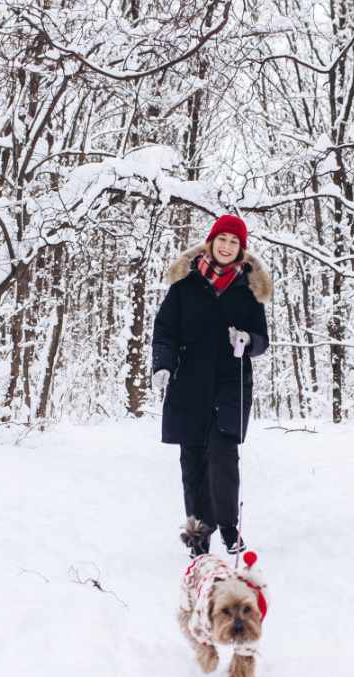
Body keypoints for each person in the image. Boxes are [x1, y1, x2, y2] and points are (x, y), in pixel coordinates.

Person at [150, 214, 272, 557]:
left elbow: (263, 340)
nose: (227, 246)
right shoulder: (184, 285)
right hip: (188, 384)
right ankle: (199, 536)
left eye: (234, 242)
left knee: (223, 459)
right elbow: (165, 331)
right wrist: (162, 365)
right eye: (223, 239)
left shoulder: (248, 289)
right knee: (192, 462)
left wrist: (248, 340)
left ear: (241, 250)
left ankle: (230, 531)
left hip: (230, 386)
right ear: (211, 241)